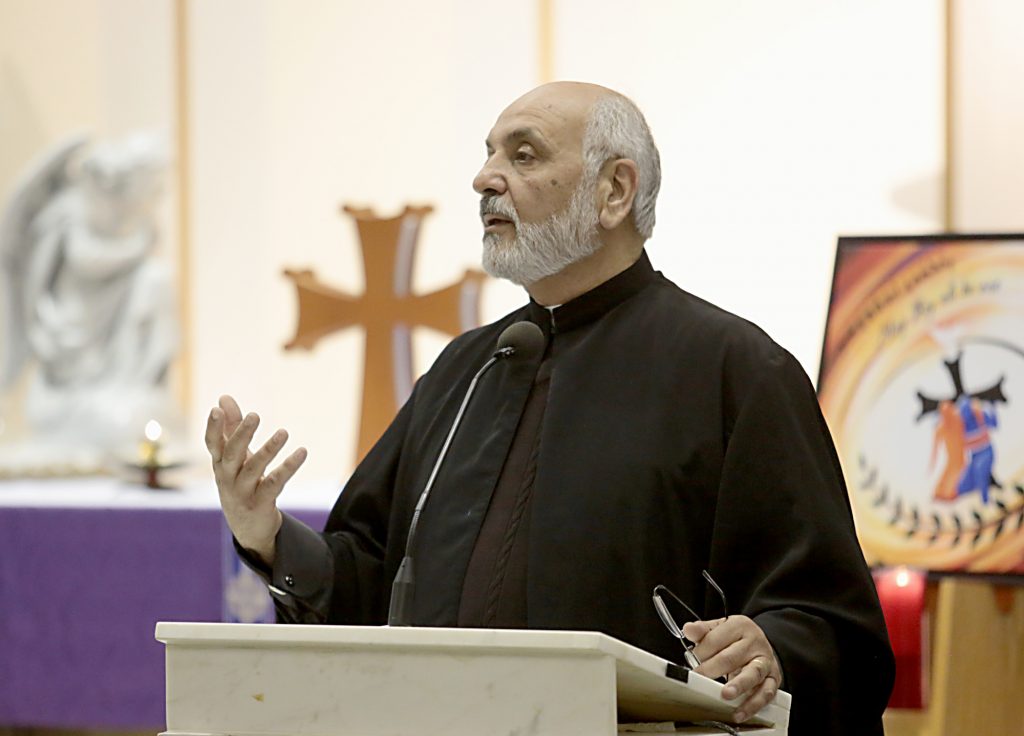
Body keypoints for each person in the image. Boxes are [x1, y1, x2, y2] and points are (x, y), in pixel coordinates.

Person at [206, 82, 894, 734]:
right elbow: (374, 586)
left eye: (523, 154)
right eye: (487, 153)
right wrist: (269, 537)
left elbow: (832, 621)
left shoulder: (734, 369)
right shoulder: (468, 368)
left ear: (614, 190)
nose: (484, 178)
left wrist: (770, 645)